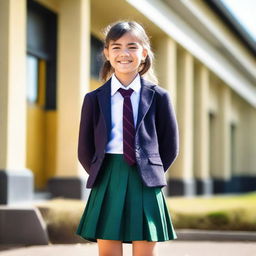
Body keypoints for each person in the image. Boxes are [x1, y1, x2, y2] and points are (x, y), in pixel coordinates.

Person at [76, 20, 179, 256]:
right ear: (107, 53)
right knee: (108, 252)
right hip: (107, 177)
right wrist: (101, 171)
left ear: (144, 53)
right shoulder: (94, 98)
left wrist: (151, 170)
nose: (124, 53)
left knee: (144, 252)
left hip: (146, 181)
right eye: (116, 47)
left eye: (132, 47)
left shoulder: (159, 96)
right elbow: (85, 147)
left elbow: (170, 145)